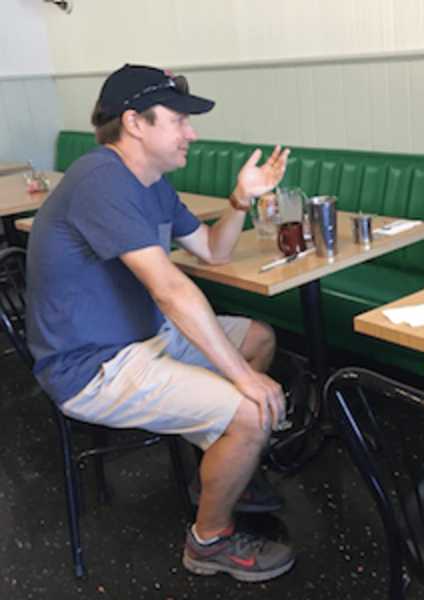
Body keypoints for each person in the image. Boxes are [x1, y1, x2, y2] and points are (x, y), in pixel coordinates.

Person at [26, 64, 294, 582]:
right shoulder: (101, 178)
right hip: (93, 365)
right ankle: (208, 541)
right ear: (134, 122)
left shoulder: (152, 183)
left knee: (259, 338)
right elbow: (170, 288)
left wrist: (241, 198)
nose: (191, 133)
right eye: (179, 120)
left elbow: (214, 252)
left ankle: (217, 470)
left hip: (147, 339)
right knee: (252, 410)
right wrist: (242, 379)